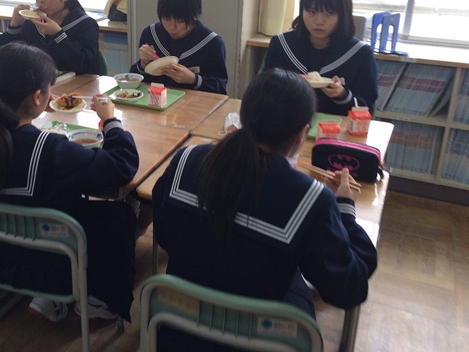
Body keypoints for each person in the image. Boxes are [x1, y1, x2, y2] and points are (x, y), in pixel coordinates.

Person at [152, 68, 378, 351]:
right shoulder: (310, 198)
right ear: (302, 134)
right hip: (263, 339)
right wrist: (344, 208)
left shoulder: (185, 159)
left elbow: (163, 234)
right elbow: (347, 288)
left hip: (178, 325)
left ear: (242, 116)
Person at [0, 42, 139, 322]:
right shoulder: (47, 148)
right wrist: (110, 120)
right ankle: (97, 300)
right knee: (120, 213)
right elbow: (122, 165)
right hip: (50, 267)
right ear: (38, 97)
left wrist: (33, 110)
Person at [263, 0, 378, 115]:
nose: (319, 21)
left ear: (343, 15)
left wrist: (343, 95)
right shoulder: (281, 44)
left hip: (336, 127)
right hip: (287, 124)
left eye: (330, 13)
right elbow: (264, 92)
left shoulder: (360, 53)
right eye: (312, 11)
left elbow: (367, 110)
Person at [130, 0, 228, 94]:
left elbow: (220, 89)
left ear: (194, 16)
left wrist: (193, 79)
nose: (172, 26)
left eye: (180, 20)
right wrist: (143, 64)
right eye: (166, 18)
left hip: (193, 104)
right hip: (154, 102)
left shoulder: (212, 44)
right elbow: (133, 81)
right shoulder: (150, 34)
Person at [0, 0, 100, 75]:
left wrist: (58, 34)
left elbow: (84, 66)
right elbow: (2, 60)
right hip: (38, 83)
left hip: (75, 84)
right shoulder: (32, 22)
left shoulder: (86, 24)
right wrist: (14, 27)